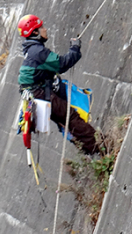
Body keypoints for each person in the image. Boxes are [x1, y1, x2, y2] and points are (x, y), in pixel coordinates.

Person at [17, 15, 98, 154]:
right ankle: (100, 146)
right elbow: (61, 64)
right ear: (35, 32)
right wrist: (74, 49)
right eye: (41, 27)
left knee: (65, 122)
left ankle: (91, 150)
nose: (45, 29)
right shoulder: (38, 52)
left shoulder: (30, 50)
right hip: (40, 94)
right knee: (70, 117)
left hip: (35, 95)